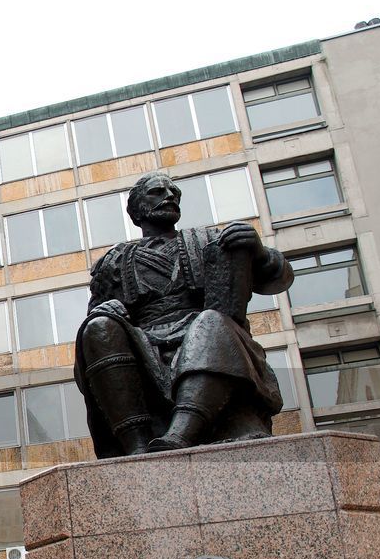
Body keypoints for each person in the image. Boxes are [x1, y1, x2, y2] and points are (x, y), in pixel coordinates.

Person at [75, 172, 293, 457]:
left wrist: (260, 252)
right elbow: (97, 311)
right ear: (136, 210)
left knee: (210, 322)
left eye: (174, 193)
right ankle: (137, 446)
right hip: (144, 344)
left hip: (205, 331)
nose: (169, 196)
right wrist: (104, 311)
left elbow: (278, 278)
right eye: (157, 192)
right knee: (99, 328)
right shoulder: (115, 259)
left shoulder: (208, 240)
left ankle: (181, 433)